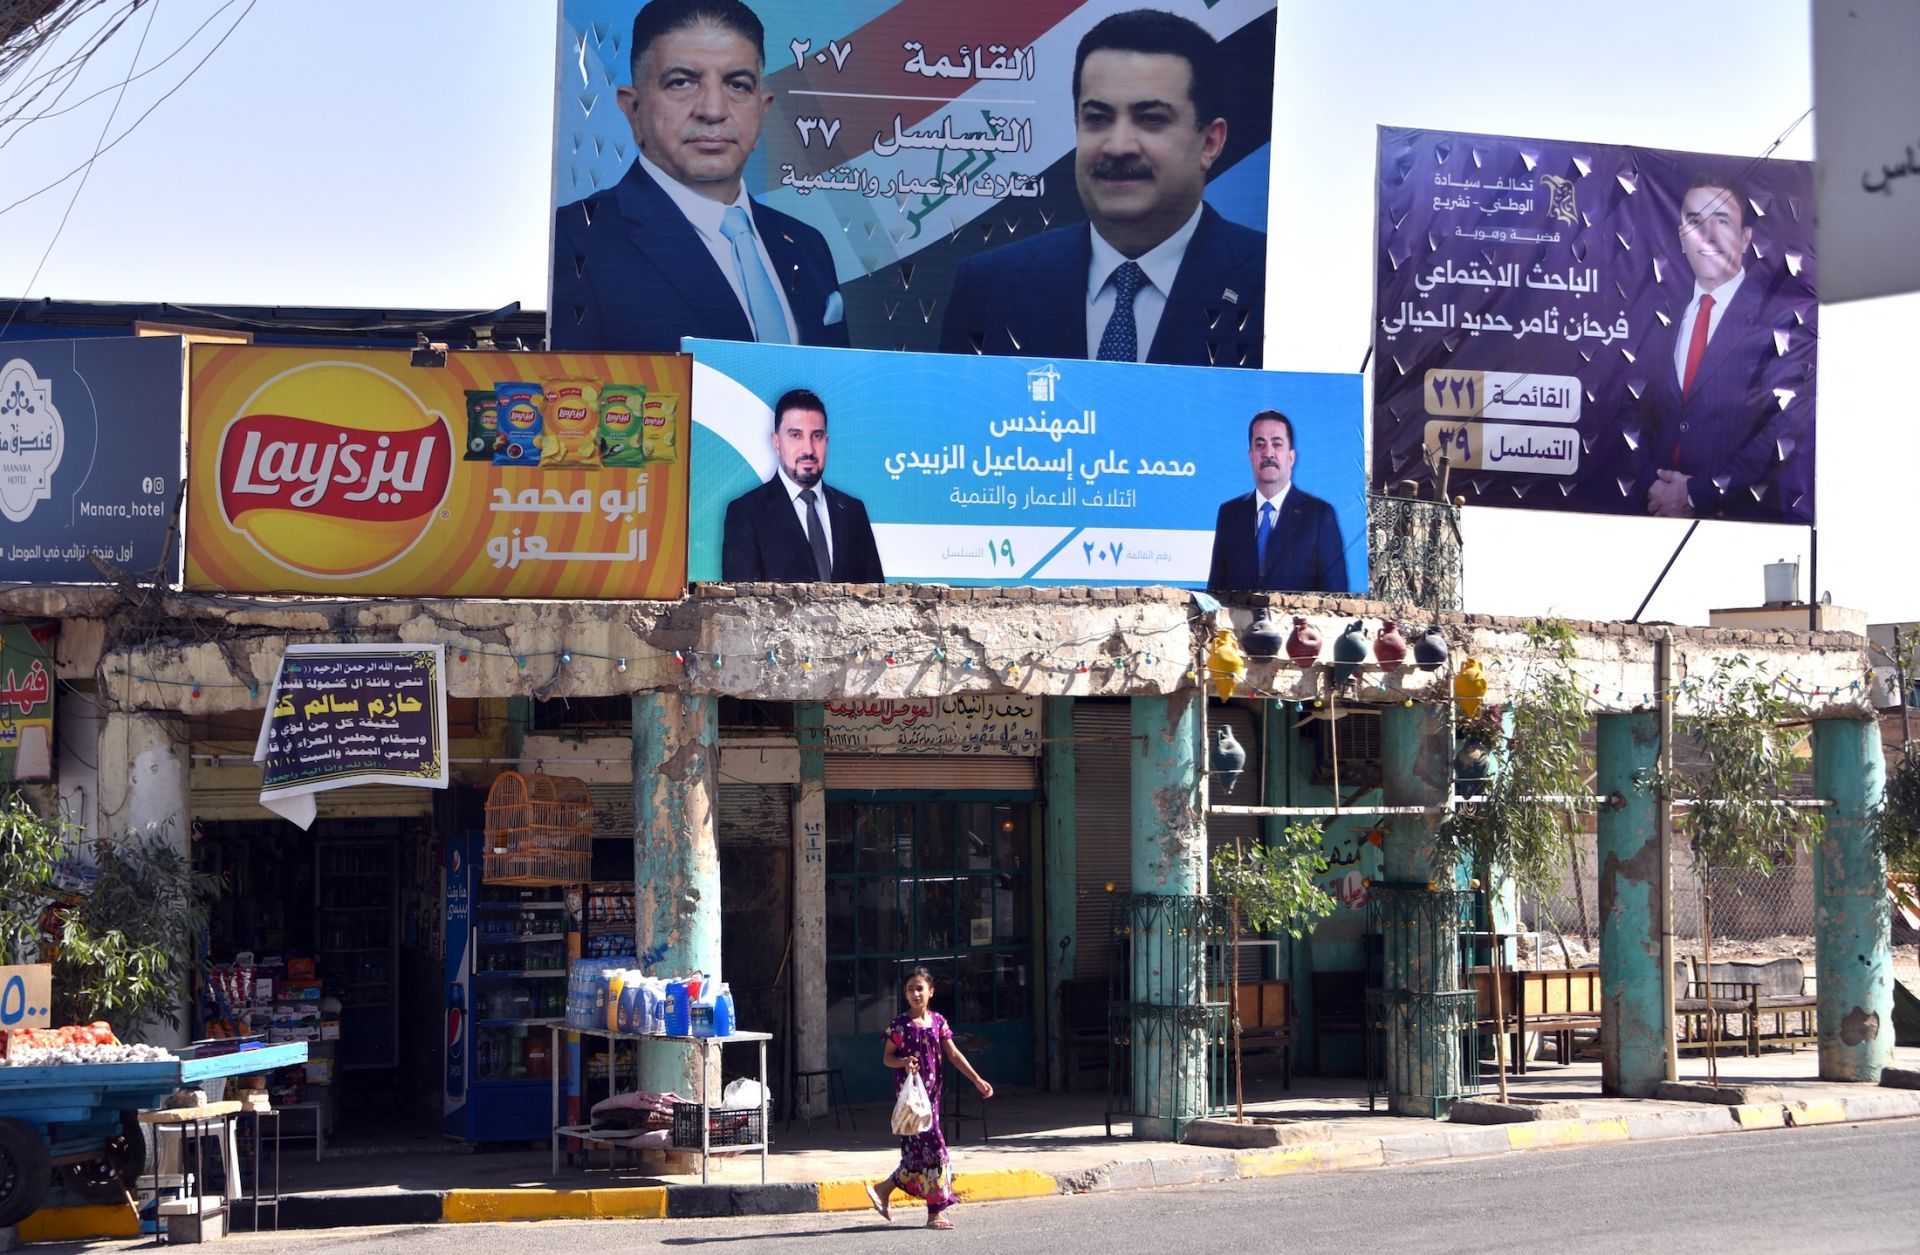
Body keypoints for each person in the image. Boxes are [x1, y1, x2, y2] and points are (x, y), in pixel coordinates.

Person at [938, 9, 1264, 368]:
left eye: (1151, 119)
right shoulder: (989, 286)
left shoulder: (1275, 283)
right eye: (1097, 118)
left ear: (1210, 143)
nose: (1117, 145)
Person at [549, 0, 847, 352]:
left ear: (761, 111)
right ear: (634, 109)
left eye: (737, 85)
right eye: (681, 82)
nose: (713, 110)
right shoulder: (574, 239)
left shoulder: (808, 245)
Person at [1635, 173, 1814, 521]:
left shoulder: (1781, 319)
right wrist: (1651, 485)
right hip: (1648, 513)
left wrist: (1697, 492)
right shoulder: (1658, 315)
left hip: (1736, 524)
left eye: (1722, 221)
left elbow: (1785, 428)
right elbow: (1631, 410)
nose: (1708, 235)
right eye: (1695, 221)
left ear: (1746, 238)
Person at [865, 967, 992, 1231]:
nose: (915, 993)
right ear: (905, 994)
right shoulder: (899, 1025)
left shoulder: (938, 1022)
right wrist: (902, 1061)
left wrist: (977, 1080)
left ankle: (883, 1189)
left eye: (920, 988)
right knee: (937, 1151)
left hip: (932, 1099)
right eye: (910, 989)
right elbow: (887, 1058)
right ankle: (935, 1213)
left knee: (915, 1158)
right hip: (912, 1101)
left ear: (931, 992)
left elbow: (954, 1055)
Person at [720, 388, 884, 582]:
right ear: (776, 442)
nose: (808, 449)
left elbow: (877, 600)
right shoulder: (746, 512)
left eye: (817, 436)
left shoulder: (852, 511)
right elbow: (742, 604)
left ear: (826, 441)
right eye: (796, 435)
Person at [1207, 410, 1348, 592]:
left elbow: (1335, 592)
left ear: (1291, 457)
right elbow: (1216, 589)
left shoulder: (1319, 515)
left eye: (1277, 444)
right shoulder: (1230, 513)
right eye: (1260, 444)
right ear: (1251, 456)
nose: (1268, 453)